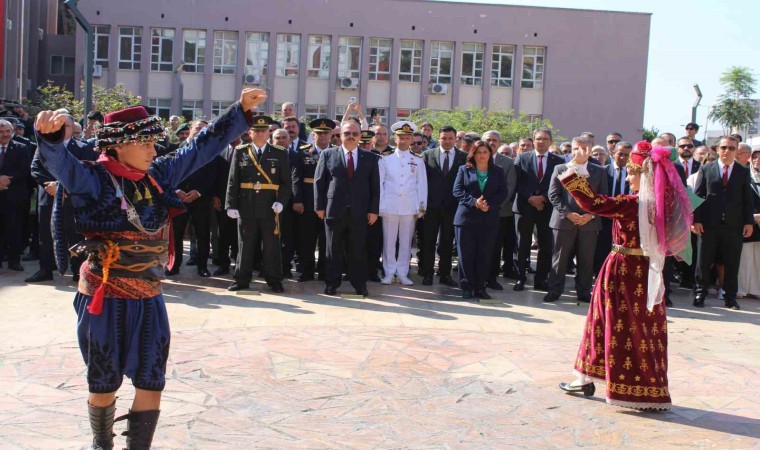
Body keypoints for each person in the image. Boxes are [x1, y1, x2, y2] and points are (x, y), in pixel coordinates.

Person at [33, 88, 264, 449]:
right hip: (104, 297)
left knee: (151, 379)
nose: (154, 151)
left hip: (150, 295)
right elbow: (59, 163)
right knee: (104, 382)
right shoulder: (91, 179)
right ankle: (102, 444)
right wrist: (49, 138)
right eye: (147, 144)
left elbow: (199, 148)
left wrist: (239, 111)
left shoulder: (157, 175)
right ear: (120, 144)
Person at [558, 141, 693, 411]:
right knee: (645, 328)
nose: (628, 176)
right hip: (650, 273)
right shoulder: (666, 205)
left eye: (633, 172)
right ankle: (647, 388)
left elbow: (594, 203)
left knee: (602, 323)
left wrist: (576, 167)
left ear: (645, 176)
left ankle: (591, 380)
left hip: (622, 270)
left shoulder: (632, 204)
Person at [314, 120, 380, 297]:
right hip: (333, 210)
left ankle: (359, 285)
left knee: (358, 250)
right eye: (347, 133)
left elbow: (375, 186)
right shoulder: (328, 154)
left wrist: (374, 210)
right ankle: (331, 284)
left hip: (359, 212)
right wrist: (319, 206)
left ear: (360, 136)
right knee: (332, 250)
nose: (351, 137)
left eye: (355, 134)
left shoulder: (371, 158)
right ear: (340, 135)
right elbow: (320, 182)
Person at [226, 116, 292, 294]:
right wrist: (231, 205)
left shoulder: (279, 152)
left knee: (271, 245)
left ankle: (274, 280)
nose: (261, 134)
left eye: (264, 131)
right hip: (246, 205)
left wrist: (281, 202)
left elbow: (286, 183)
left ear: (269, 133)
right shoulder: (241, 151)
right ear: (250, 132)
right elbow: (233, 181)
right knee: (245, 244)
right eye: (257, 130)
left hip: (270, 206)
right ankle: (241, 279)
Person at [692, 136, 755, 310]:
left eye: (732, 148)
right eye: (724, 147)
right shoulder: (706, 169)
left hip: (733, 225)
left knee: (732, 261)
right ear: (717, 149)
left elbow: (747, 200)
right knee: (704, 261)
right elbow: (698, 196)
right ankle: (700, 293)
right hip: (708, 224)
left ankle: (730, 296)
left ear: (736, 151)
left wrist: (748, 223)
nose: (727, 151)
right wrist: (696, 220)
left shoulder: (743, 171)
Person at [544, 136, 608, 303]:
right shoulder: (561, 168)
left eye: (584, 148)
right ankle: (555, 290)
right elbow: (553, 194)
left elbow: (603, 197)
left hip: (589, 223)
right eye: (576, 148)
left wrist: (591, 215)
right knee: (560, 258)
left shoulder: (599, 171)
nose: (579, 152)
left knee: (586, 259)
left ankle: (584, 292)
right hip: (564, 221)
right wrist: (568, 213)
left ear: (590, 150)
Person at [452, 140, 508, 299]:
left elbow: (503, 192)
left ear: (490, 154)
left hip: (489, 218)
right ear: (473, 154)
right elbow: (457, 191)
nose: (482, 155)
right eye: (478, 152)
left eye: (485, 152)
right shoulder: (464, 169)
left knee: (484, 254)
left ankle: (480, 287)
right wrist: (474, 203)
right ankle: (466, 286)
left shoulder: (498, 171)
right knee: (466, 254)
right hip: (466, 219)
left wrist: (487, 204)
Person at [512, 128, 564, 291]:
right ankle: (520, 277)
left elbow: (559, 185)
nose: (541, 141)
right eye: (538, 139)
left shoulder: (558, 161)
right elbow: (517, 182)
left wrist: (543, 198)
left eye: (545, 139)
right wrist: (531, 198)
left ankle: (541, 279)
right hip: (524, 206)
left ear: (551, 141)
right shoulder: (522, 158)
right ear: (533, 140)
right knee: (522, 244)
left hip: (547, 208)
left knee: (546, 245)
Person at [378, 122, 427, 285]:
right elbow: (381, 184)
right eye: (401, 137)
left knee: (406, 242)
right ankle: (389, 272)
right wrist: (381, 206)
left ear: (411, 139)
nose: (404, 140)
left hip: (409, 206)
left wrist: (421, 207)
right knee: (389, 242)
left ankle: (402, 273)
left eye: (407, 137)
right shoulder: (386, 158)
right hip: (390, 206)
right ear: (395, 138)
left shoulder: (418, 160)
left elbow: (422, 185)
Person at [420, 126, 467, 286]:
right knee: (428, 241)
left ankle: (445, 274)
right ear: (438, 138)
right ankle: (427, 273)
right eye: (443, 138)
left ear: (455, 139)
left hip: (453, 207)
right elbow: (421, 181)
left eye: (450, 138)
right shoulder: (427, 155)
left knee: (447, 242)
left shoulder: (464, 157)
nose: (447, 141)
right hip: (431, 206)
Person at [295, 119, 334, 282]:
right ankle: (307, 271)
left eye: (326, 133)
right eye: (319, 133)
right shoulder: (303, 151)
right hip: (308, 202)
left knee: (327, 240)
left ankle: (325, 272)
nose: (323, 136)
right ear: (314, 135)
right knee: (307, 239)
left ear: (331, 135)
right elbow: (296, 177)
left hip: (329, 203)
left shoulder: (337, 152)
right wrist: (297, 200)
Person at [483, 130, 517, 288]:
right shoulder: (474, 158)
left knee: (495, 247)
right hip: (477, 210)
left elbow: (509, 187)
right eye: (488, 140)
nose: (491, 142)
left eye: (494, 140)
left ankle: (491, 278)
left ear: (499, 142)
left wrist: (493, 205)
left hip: (499, 212)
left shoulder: (508, 162)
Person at [0, 119, 32, 271]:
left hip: (14, 194)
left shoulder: (21, 147)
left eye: (8, 131)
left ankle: (14, 260)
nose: (5, 135)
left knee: (14, 228)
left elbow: (25, 170)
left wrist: (8, 180)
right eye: (1, 132)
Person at [737, 148, 760, 298]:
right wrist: (752, 217)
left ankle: (757, 290)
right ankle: (742, 289)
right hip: (748, 222)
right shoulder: (745, 175)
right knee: (745, 257)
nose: (758, 160)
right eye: (755, 158)